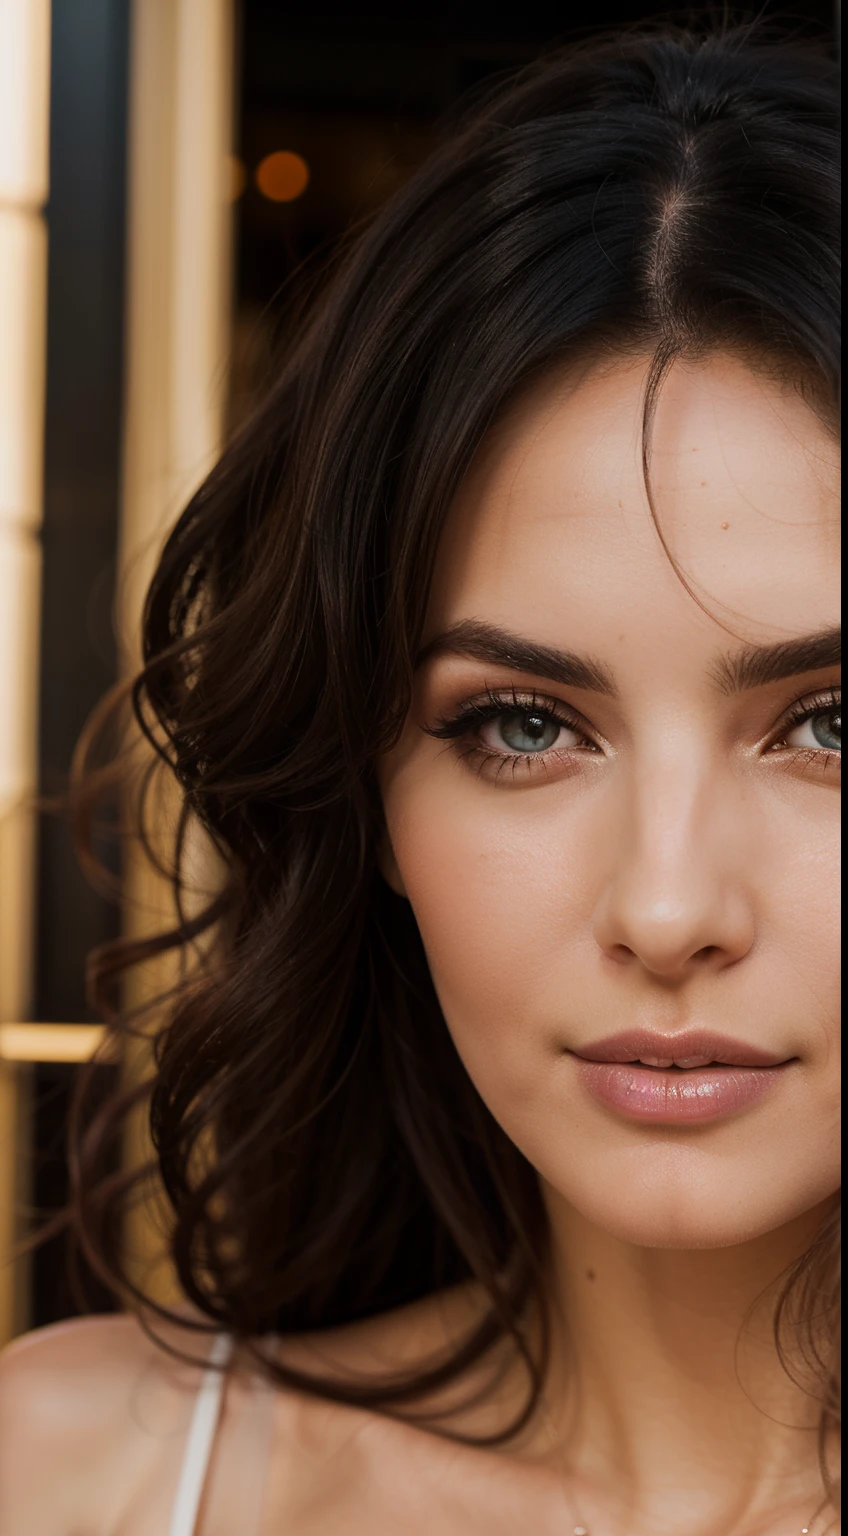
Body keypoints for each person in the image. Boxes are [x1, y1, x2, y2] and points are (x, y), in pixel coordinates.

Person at [0, 20, 839, 1536]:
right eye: (523, 724)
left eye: (833, 726)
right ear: (371, 799)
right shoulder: (81, 1479)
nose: (666, 907)